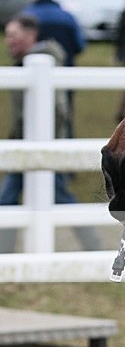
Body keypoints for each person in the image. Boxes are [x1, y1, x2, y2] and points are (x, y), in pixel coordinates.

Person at [0, 14, 101, 252]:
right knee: (9, 198)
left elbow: (58, 110)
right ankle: (4, 251)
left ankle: (94, 246)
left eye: (13, 36)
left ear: (30, 35)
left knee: (11, 199)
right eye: (7, 36)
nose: (8, 42)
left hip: (39, 145)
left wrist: (50, 145)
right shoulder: (26, 63)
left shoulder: (41, 63)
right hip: (27, 144)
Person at [22, 0, 86, 135]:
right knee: (64, 109)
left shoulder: (27, 15)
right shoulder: (67, 17)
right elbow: (79, 45)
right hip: (65, 68)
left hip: (32, 67)